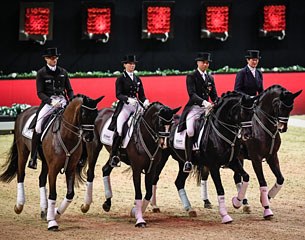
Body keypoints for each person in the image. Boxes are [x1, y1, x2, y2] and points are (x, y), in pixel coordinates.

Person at [27, 47, 74, 169]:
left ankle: (80, 155)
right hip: (49, 103)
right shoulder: (41, 73)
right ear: (46, 59)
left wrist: (72, 100)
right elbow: (40, 92)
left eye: (56, 58)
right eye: (52, 58)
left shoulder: (63, 72)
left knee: (76, 122)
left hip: (63, 101)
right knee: (38, 126)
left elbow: (69, 90)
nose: (55, 60)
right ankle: (33, 157)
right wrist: (50, 101)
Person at [177, 52, 218, 173]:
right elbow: (192, 94)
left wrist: (217, 102)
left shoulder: (210, 78)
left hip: (208, 108)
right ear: (198, 63)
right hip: (194, 107)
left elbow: (214, 95)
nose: (205, 64)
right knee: (190, 130)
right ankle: (188, 160)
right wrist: (204, 102)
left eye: (207, 63)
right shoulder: (191, 76)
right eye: (203, 62)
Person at [108, 54, 150, 167]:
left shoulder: (137, 79)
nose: (132, 65)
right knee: (120, 128)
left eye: (133, 64)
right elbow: (118, 94)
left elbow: (141, 95)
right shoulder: (120, 78)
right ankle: (114, 155)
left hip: (136, 105)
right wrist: (127, 99)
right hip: (125, 106)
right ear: (125, 65)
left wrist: (145, 101)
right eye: (130, 64)